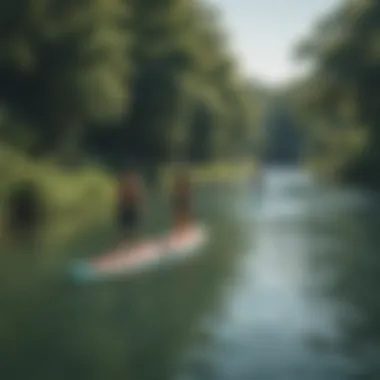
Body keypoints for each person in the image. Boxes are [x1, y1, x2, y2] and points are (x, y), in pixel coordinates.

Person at [117, 171, 145, 243]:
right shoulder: (125, 188)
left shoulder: (132, 187)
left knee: (132, 227)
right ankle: (128, 241)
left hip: (130, 208)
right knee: (127, 228)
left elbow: (138, 198)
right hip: (127, 208)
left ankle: (132, 241)